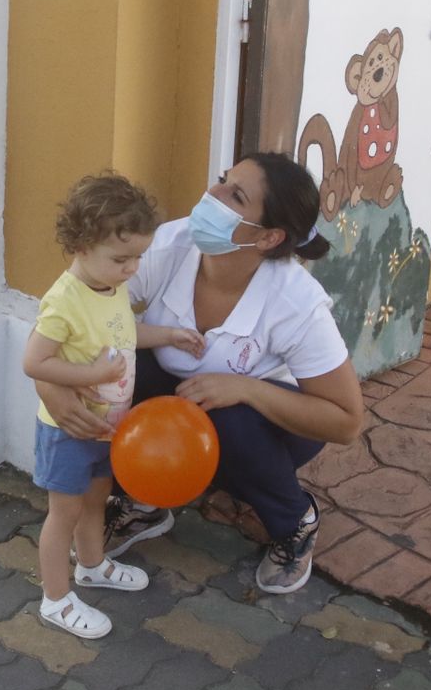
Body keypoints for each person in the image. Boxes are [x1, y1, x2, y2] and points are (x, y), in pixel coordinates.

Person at [35, 153, 363, 595]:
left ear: (268, 237)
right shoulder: (170, 245)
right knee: (120, 366)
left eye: (236, 195)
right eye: (223, 180)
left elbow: (345, 421)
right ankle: (144, 501)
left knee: (229, 419)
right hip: (182, 402)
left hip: (271, 428)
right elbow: (69, 316)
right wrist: (51, 386)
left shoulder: (296, 302)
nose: (213, 193)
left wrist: (245, 388)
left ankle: (294, 520)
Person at [21, 173, 202, 638]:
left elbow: (123, 332)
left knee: (97, 501)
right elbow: (34, 362)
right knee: (64, 514)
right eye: (122, 258)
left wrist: (169, 334)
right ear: (82, 247)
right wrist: (93, 376)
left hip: (108, 428)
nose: (132, 268)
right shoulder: (64, 301)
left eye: (138, 257)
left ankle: (92, 565)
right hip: (69, 431)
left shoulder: (111, 285)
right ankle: (55, 599)